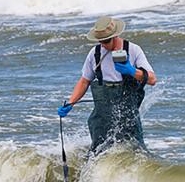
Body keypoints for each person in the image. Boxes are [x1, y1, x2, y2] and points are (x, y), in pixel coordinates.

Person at [57, 16, 157, 154]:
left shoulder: (133, 50)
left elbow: (152, 79)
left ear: (116, 36)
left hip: (128, 120)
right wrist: (70, 103)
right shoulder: (95, 54)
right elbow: (84, 81)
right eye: (100, 41)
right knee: (97, 154)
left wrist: (132, 71)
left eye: (106, 41)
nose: (103, 44)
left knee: (136, 153)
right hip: (101, 120)